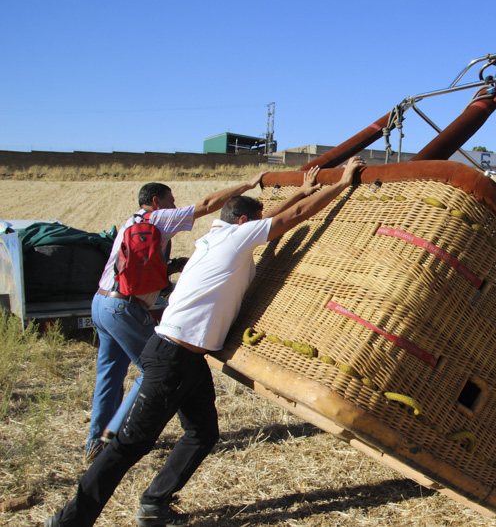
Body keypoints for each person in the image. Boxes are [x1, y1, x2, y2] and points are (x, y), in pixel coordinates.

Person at [46, 157, 366, 527]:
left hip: (186, 359)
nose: (261, 225)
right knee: (130, 445)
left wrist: (305, 191)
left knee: (203, 432)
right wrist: (340, 184)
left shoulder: (217, 236)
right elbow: (282, 222)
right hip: (172, 357)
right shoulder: (235, 239)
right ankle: (70, 519)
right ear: (244, 223)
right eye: (256, 220)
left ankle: (154, 503)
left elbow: (268, 219)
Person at [86, 176, 276, 457]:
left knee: (109, 375)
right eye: (171, 200)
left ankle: (95, 439)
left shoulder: (130, 223)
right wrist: (247, 186)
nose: (174, 205)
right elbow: (207, 204)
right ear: (156, 202)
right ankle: (110, 436)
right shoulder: (158, 219)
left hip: (102, 303)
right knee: (154, 369)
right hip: (125, 307)